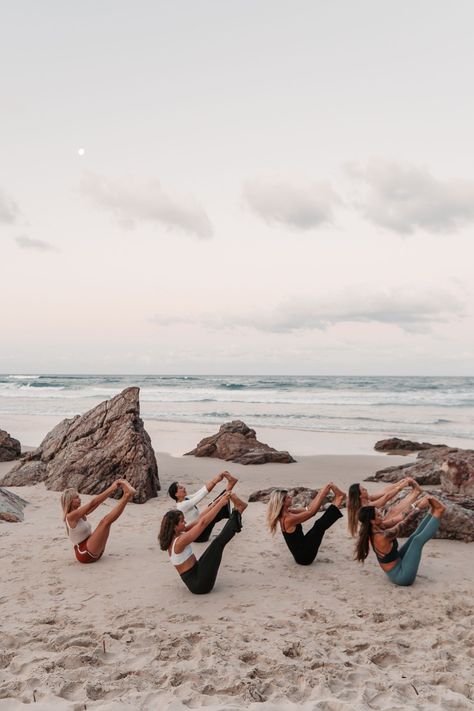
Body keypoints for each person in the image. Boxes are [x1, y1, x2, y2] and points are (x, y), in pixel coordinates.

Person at [159, 491, 247, 594]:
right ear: (174, 526)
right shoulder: (179, 542)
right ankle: (238, 510)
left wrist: (216, 502)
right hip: (200, 584)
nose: (185, 522)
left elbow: (199, 519)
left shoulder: (176, 536)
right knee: (217, 543)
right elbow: (202, 524)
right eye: (182, 521)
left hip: (198, 572)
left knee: (215, 544)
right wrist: (220, 504)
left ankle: (238, 510)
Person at [355, 495, 446, 586]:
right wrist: (419, 508)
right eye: (378, 515)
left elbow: (402, 517)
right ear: (372, 521)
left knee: (413, 537)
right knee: (417, 541)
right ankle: (439, 511)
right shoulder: (382, 537)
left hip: (397, 564)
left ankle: (433, 512)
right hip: (401, 577)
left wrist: (416, 504)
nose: (381, 516)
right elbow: (405, 523)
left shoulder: (375, 528)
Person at [267, 482, 346, 565]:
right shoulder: (288, 519)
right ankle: (339, 498)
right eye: (288, 497)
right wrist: (323, 494)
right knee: (319, 526)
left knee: (318, 526)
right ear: (282, 502)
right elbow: (312, 513)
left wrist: (321, 492)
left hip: (302, 549)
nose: (291, 497)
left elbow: (308, 509)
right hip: (304, 557)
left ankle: (339, 498)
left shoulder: (287, 513)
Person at [61, 479, 135, 564]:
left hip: (94, 549)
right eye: (77, 497)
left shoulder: (81, 514)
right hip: (84, 553)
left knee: (107, 523)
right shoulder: (70, 516)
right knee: (104, 521)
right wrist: (112, 488)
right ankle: (127, 495)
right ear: (70, 501)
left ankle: (127, 494)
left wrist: (113, 489)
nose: (80, 499)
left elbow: (97, 503)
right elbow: (92, 503)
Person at [168, 470, 237, 542]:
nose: (184, 488)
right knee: (216, 507)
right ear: (176, 494)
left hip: (200, 526)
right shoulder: (182, 505)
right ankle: (231, 485)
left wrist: (215, 480)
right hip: (197, 536)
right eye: (180, 488)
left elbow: (201, 491)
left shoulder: (186, 499)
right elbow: (201, 495)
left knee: (214, 505)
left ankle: (231, 484)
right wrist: (215, 481)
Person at [347, 478, 423, 537]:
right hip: (375, 530)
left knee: (392, 511)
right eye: (363, 490)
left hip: (376, 525)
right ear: (360, 496)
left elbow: (384, 491)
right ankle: (416, 495)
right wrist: (401, 487)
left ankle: (415, 493)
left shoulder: (366, 499)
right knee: (395, 512)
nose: (366, 490)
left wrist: (400, 482)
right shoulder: (365, 507)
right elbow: (385, 498)